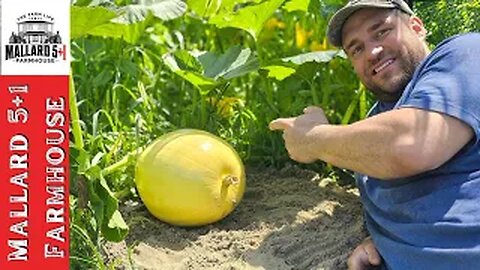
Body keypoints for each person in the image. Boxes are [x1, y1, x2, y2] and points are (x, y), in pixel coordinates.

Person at [269, 0, 480, 269]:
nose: (372, 52)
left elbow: (410, 145)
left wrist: (313, 139)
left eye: (381, 32)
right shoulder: (370, 130)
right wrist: (386, 240)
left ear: (416, 27)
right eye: (356, 49)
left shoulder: (466, 54)